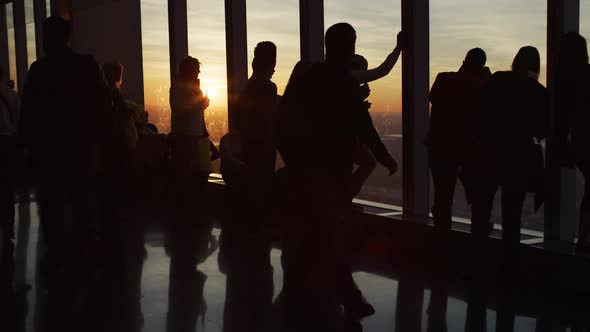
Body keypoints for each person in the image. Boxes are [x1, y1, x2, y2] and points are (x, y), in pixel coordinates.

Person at [279, 23, 394, 323]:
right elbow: (363, 125)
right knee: (329, 235)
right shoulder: (343, 82)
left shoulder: (309, 78)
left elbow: (286, 118)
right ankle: (346, 296)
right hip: (332, 170)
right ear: (348, 46)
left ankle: (305, 292)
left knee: (317, 233)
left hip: (309, 169)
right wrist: (384, 157)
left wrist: (294, 160)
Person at [19, 16, 112, 273]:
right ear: (68, 37)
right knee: (82, 200)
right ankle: (87, 249)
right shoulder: (87, 66)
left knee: (51, 205)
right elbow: (101, 107)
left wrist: (26, 148)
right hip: (80, 150)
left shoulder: (39, 71)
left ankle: (56, 255)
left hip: (49, 152)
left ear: (47, 38)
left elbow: (28, 114)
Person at [470, 46, 548, 275]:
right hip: (518, 158)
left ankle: (478, 265)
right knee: (512, 214)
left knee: (481, 211)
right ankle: (509, 268)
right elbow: (541, 131)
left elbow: (479, 113)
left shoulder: (498, 80)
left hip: (489, 153)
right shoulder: (540, 93)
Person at [427, 48, 491, 255]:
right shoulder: (480, 87)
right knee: (478, 198)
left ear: (464, 61)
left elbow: (434, 98)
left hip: (439, 146)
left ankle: (441, 244)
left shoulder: (443, 79)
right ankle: (477, 249)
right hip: (466, 149)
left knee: (442, 197)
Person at [167, 55, 213, 284]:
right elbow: (183, 109)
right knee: (186, 179)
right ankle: (187, 219)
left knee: (190, 178)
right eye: (195, 70)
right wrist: (202, 104)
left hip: (192, 137)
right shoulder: (179, 89)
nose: (197, 74)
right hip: (186, 138)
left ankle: (187, 219)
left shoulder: (184, 88)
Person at [232, 41, 278, 234]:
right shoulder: (268, 88)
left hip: (249, 146)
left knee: (253, 188)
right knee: (263, 187)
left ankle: (252, 232)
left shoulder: (247, 88)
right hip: (264, 146)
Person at [555, 32, 590, 251]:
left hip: (579, 140)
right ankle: (584, 239)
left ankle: (583, 238)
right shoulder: (587, 73)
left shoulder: (562, 79)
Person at [0, 65, 20, 266]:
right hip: (7, 144)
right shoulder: (10, 95)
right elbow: (18, 119)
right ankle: (8, 224)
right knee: (6, 186)